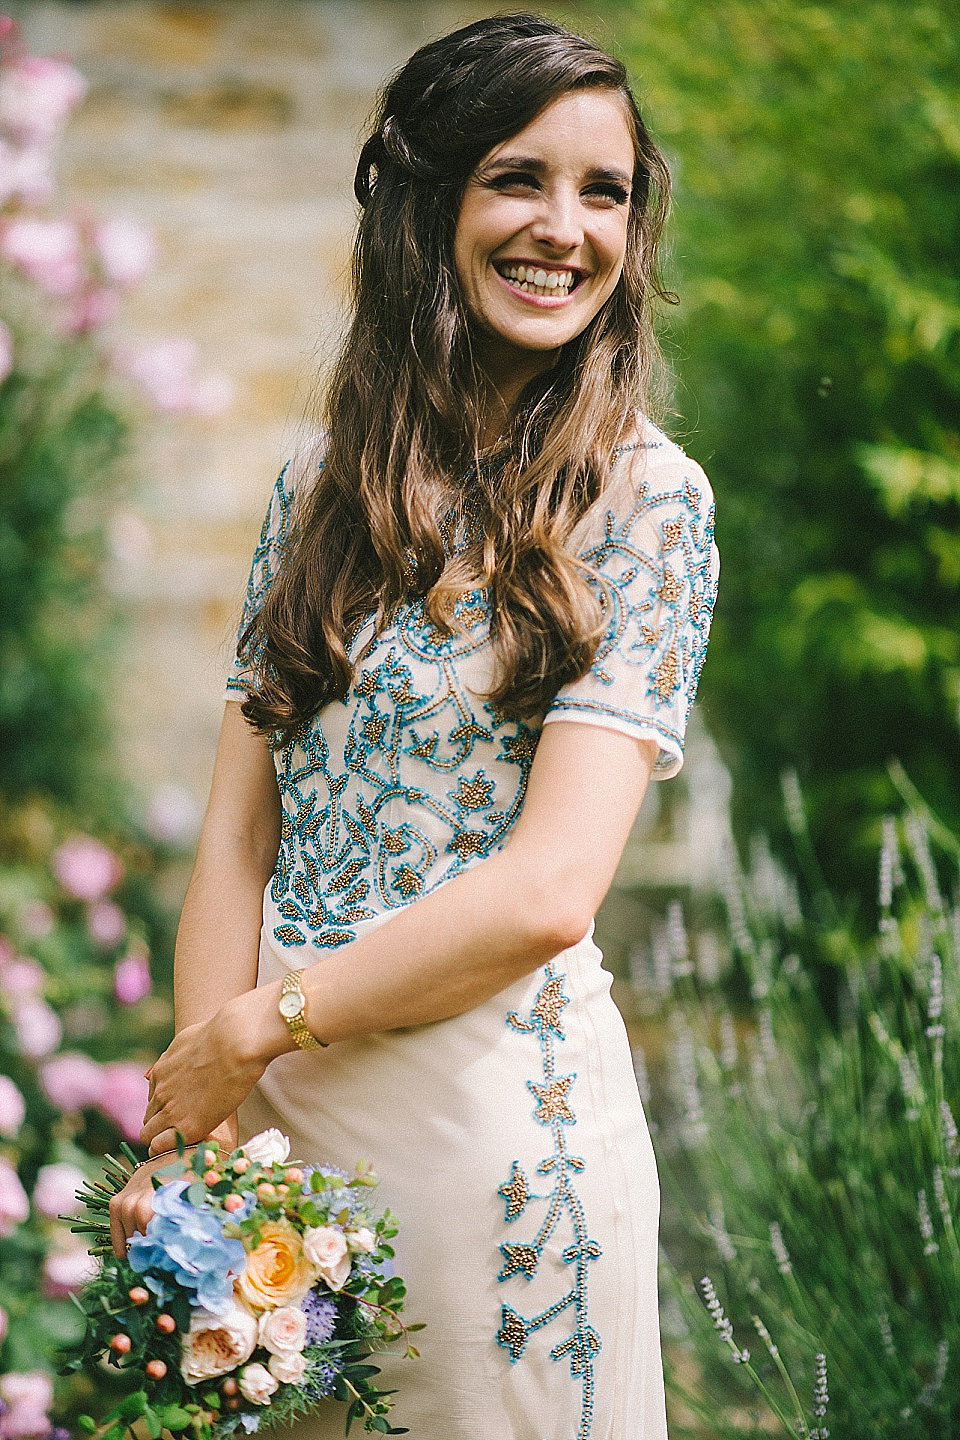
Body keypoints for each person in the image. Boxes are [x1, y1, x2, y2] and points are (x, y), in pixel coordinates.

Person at [109, 13, 718, 1438]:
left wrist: (256, 1027)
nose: (563, 228)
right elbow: (235, 838)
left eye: (604, 191)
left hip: (497, 1152)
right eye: (519, 178)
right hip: (280, 1141)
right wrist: (208, 1127)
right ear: (428, 201)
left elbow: (551, 892)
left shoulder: (650, 504)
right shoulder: (314, 484)